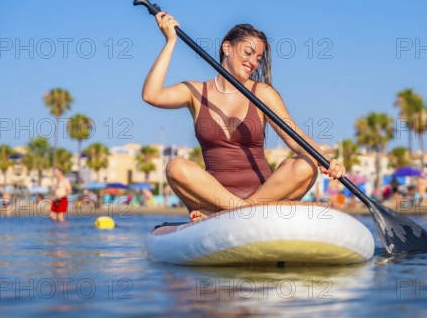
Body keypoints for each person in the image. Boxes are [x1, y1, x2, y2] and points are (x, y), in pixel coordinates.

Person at [142, 15, 344, 222]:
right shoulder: (195, 91)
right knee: (176, 166)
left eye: (258, 58)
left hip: (264, 193)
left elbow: (295, 137)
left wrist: (326, 161)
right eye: (248, 53)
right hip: (213, 198)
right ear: (227, 48)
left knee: (306, 163)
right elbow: (151, 95)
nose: (253, 63)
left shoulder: (262, 92)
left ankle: (232, 214)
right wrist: (170, 41)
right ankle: (243, 211)